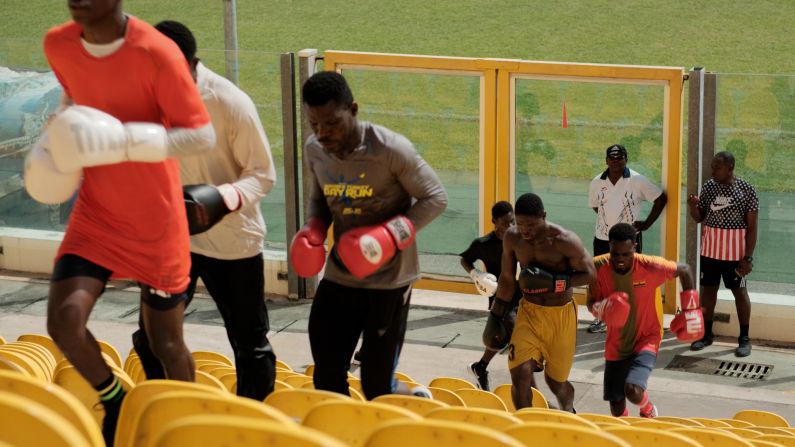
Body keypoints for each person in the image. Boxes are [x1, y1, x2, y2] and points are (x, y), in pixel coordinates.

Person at [35, 2, 216, 445]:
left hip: (158, 223)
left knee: (165, 344)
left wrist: (124, 141)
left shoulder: (157, 53)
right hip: (97, 215)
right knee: (63, 322)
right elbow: (74, 98)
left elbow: (201, 135)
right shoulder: (57, 44)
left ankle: (187, 426)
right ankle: (115, 399)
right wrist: (55, 136)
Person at [131, 20, 278, 401]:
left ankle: (251, 424)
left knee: (250, 346)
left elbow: (263, 175)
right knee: (149, 339)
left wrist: (220, 200)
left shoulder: (231, 103)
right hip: (172, 240)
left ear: (194, 63)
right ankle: (174, 412)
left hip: (232, 243)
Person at [290, 71, 447, 400]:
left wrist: (390, 235)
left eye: (331, 123)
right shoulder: (315, 149)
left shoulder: (390, 149)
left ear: (353, 109)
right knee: (327, 375)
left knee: (376, 386)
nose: (322, 133)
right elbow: (320, 199)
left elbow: (436, 197)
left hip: (390, 281)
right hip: (340, 274)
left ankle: (413, 397)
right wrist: (314, 229)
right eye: (313, 124)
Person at [487, 192, 596, 411]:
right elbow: (507, 279)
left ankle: (568, 412)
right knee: (519, 372)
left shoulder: (565, 241)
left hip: (560, 315)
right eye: (520, 224)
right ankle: (526, 425)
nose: (525, 230)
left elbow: (590, 273)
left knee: (556, 381)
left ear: (544, 216)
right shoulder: (513, 238)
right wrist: (495, 314)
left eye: (532, 224)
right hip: (529, 312)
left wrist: (555, 282)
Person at [587, 223, 703, 418]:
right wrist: (600, 310)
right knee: (616, 405)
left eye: (626, 254)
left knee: (632, 389)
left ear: (635, 246)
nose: (620, 259)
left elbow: (684, 269)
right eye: (616, 254)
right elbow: (591, 302)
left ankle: (648, 410)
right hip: (616, 343)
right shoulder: (597, 267)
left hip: (647, 338)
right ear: (609, 246)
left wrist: (691, 310)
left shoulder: (650, 265)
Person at [587, 143, 668, 333]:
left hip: (628, 242)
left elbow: (660, 198)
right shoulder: (597, 182)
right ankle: (602, 318)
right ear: (606, 160)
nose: (616, 161)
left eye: (619, 158)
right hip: (602, 238)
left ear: (626, 159)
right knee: (601, 279)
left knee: (628, 278)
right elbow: (595, 206)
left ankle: (629, 317)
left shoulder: (637, 180)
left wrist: (646, 224)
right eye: (612, 158)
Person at [687, 151, 759, 357]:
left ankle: (744, 338)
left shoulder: (746, 190)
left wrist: (748, 257)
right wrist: (693, 207)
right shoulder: (709, 186)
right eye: (712, 166)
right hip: (710, 251)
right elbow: (699, 217)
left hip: (735, 255)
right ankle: (706, 334)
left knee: (740, 293)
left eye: (716, 167)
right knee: (708, 292)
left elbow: (752, 228)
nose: (712, 171)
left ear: (730, 168)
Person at [459, 200, 521, 391]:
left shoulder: (521, 239)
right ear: (494, 221)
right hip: (500, 299)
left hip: (523, 296)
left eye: (512, 222)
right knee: (516, 338)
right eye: (504, 223)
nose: (509, 227)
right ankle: (522, 383)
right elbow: (465, 259)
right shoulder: (483, 244)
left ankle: (480, 367)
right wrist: (475, 274)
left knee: (499, 338)